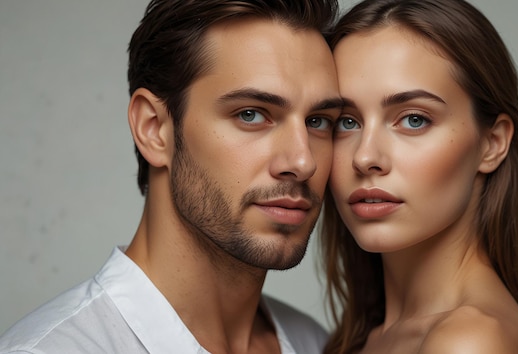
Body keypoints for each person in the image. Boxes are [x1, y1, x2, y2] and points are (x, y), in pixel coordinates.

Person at [0, 0, 343, 353]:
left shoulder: (317, 344)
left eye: (319, 121)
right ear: (154, 129)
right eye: (252, 114)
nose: (303, 162)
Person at [320, 0, 518, 353]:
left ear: (492, 143)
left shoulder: (472, 342)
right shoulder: (366, 338)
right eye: (347, 122)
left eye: (413, 119)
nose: (365, 157)